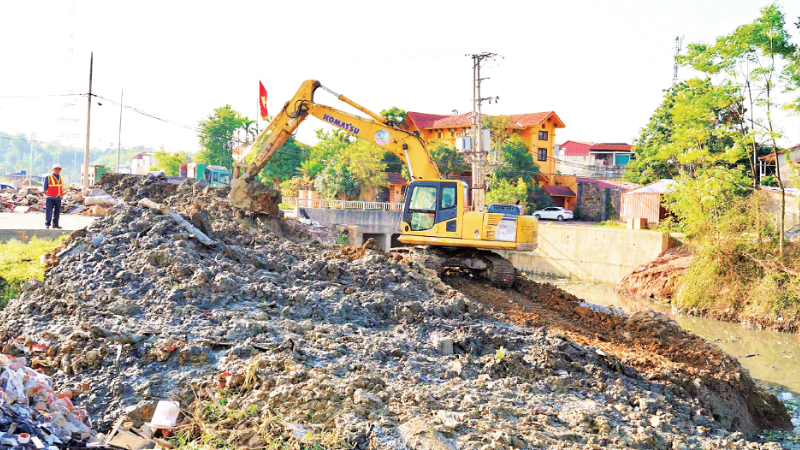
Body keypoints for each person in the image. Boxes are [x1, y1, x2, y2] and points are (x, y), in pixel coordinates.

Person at [44, 164, 64, 229]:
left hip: (58, 197)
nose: (57, 170)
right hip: (50, 197)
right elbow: (45, 187)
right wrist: (46, 194)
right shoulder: (49, 177)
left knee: (57, 212)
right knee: (49, 211)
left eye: (59, 169)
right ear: (53, 170)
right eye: (56, 169)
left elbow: (61, 187)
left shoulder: (61, 178)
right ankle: (47, 224)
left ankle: (55, 224)